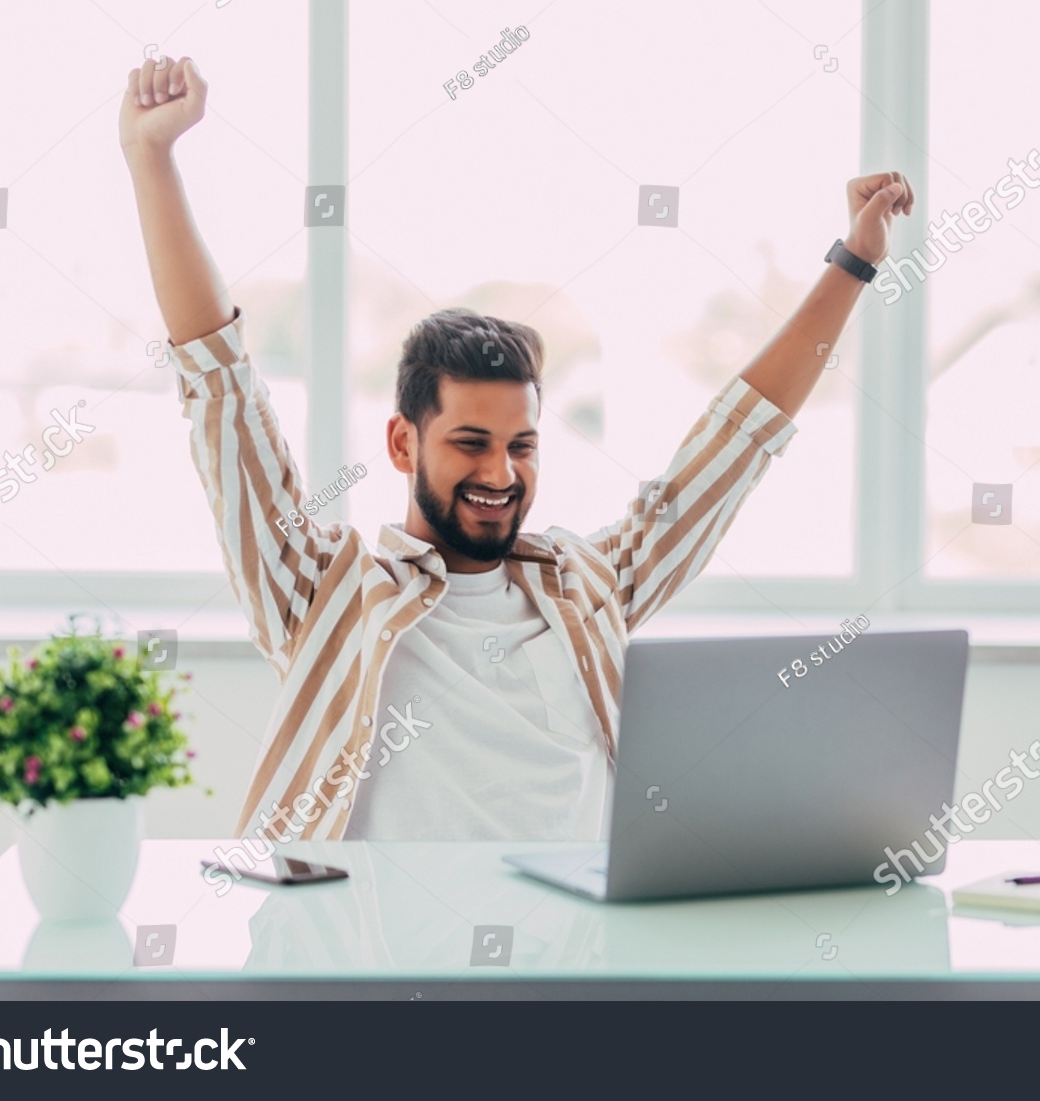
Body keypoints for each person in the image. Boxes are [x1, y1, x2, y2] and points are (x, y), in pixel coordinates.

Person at [119, 54, 913, 844]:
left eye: (521, 445)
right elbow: (222, 391)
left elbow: (737, 442)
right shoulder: (320, 592)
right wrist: (151, 158)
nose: (501, 474)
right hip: (368, 962)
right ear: (402, 441)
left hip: (571, 965)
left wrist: (855, 261)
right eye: (471, 443)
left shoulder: (589, 587)